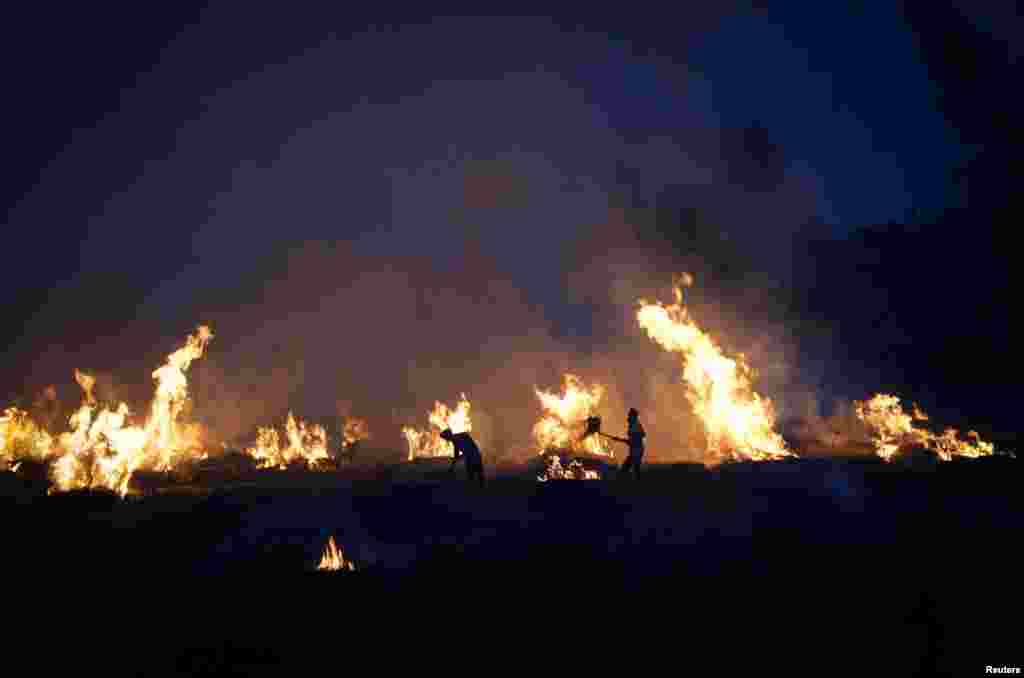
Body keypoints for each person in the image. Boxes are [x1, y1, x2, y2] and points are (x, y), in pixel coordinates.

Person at [603, 408, 646, 479]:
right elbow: (640, 437)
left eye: (630, 415)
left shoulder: (635, 426)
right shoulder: (635, 425)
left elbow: (632, 441)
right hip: (636, 451)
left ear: (633, 416)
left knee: (631, 469)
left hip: (636, 451)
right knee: (633, 469)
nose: (628, 417)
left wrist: (619, 439)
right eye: (629, 415)